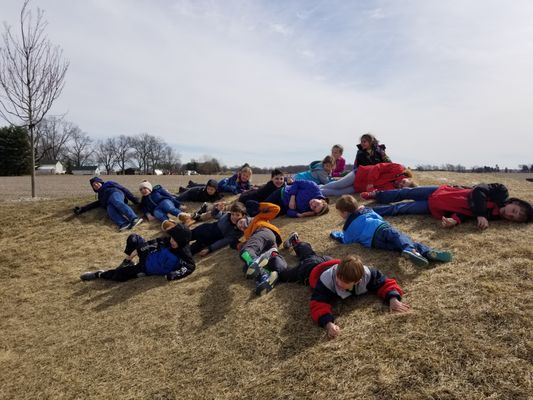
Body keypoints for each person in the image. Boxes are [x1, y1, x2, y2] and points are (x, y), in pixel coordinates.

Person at [308, 251, 409, 339]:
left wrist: (393, 299)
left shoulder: (368, 275)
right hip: (312, 269)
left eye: (344, 284)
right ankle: (297, 243)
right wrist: (328, 324)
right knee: (299, 267)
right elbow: (318, 303)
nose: (339, 284)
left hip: (327, 261)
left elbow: (384, 283)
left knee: (311, 255)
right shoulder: (326, 281)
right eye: (338, 281)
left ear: (358, 281)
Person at [330, 195, 453, 267]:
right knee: (402, 239)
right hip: (382, 229)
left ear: (345, 212)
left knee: (397, 246)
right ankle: (423, 251)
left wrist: (336, 235)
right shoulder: (366, 211)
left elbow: (346, 239)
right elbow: (378, 217)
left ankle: (425, 253)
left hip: (375, 243)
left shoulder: (347, 228)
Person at [366, 183, 533, 229]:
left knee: (400, 209)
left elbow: (466, 215)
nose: (510, 215)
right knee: (406, 192)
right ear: (515, 202)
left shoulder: (492, 217)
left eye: (513, 218)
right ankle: (378, 195)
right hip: (443, 191)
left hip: (437, 207)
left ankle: (367, 210)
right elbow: (479, 190)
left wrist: (454, 221)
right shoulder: (501, 192)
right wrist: (481, 213)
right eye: (515, 211)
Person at [79, 222, 195, 282]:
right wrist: (138, 250)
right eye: (172, 238)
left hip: (145, 269)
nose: (172, 241)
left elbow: (190, 266)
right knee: (133, 238)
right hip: (148, 257)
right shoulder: (166, 241)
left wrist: (175, 274)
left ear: (182, 242)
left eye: (176, 240)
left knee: (121, 275)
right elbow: (152, 243)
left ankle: (99, 274)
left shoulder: (184, 254)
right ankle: (127, 262)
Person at [236, 202, 288, 295]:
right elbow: (253, 242)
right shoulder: (248, 235)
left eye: (240, 222)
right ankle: (267, 277)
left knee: (245, 252)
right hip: (270, 247)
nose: (240, 226)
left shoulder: (257, 218)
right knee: (246, 268)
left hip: (264, 232)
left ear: (246, 217)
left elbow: (276, 209)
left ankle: (255, 262)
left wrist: (259, 206)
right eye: (239, 227)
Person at [73, 176, 142, 231]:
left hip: (115, 193)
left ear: (101, 182)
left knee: (115, 200)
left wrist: (134, 199)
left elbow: (123, 189)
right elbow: (95, 204)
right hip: (108, 202)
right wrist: (82, 209)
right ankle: (124, 223)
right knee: (110, 210)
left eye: (97, 183)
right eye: (94, 185)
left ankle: (134, 218)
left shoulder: (109, 183)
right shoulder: (100, 196)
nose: (96, 185)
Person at [320, 163, 415, 197]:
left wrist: (370, 193)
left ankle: (318, 192)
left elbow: (378, 192)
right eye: (403, 182)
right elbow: (378, 167)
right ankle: (316, 187)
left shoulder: (393, 189)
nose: (400, 184)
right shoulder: (398, 168)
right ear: (408, 178)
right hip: (361, 174)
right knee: (338, 185)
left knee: (338, 193)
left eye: (401, 187)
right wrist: (370, 183)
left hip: (361, 187)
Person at [264, 179, 329, 218]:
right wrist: (292, 197)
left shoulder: (308, 209)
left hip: (283, 207)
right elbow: (297, 182)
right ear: (322, 201)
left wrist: (300, 215)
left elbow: (289, 212)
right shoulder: (314, 187)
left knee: (266, 214)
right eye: (317, 204)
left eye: (314, 208)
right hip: (281, 194)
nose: (313, 205)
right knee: (263, 206)